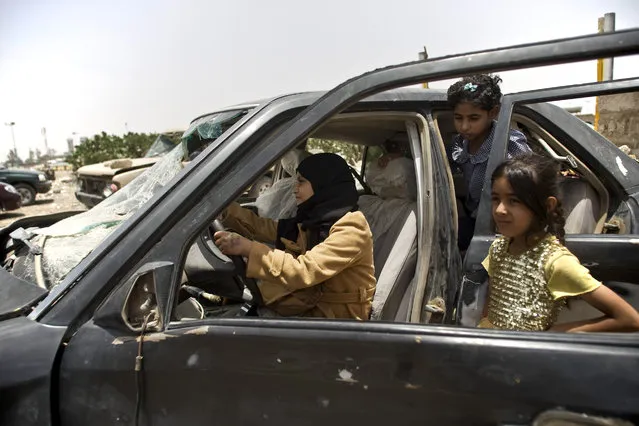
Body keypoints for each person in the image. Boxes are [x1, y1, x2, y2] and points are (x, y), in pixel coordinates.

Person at [480, 154, 639, 332]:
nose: (500, 210)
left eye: (514, 201)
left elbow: (630, 319)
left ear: (547, 206)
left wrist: (551, 334)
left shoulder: (555, 262)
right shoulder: (499, 248)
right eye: (496, 199)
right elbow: (489, 309)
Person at [214, 153, 376, 320]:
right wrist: (227, 210)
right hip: (312, 307)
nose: (295, 188)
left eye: (301, 181)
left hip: (339, 321)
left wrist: (249, 249)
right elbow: (267, 228)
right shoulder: (315, 220)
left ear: (323, 184)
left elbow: (304, 271)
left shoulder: (351, 228)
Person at [447, 74, 532, 251]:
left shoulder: (508, 145)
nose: (464, 127)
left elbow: (527, 191)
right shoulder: (458, 144)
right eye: (458, 118)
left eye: (473, 118)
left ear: (493, 113)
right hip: (473, 219)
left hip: (501, 227)